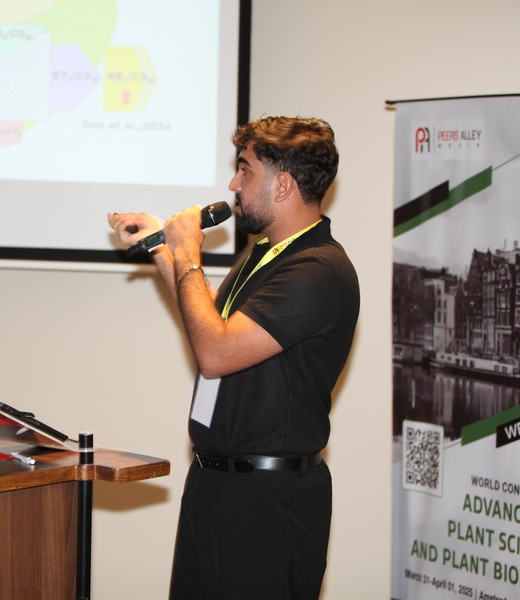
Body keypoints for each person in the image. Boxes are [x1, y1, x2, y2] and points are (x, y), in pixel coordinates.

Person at [107, 115, 360, 599]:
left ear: (283, 185)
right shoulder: (262, 252)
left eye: (245, 170)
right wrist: (161, 248)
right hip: (214, 483)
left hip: (268, 503)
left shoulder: (319, 270)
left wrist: (189, 253)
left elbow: (215, 353)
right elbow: (211, 321)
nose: (233, 185)